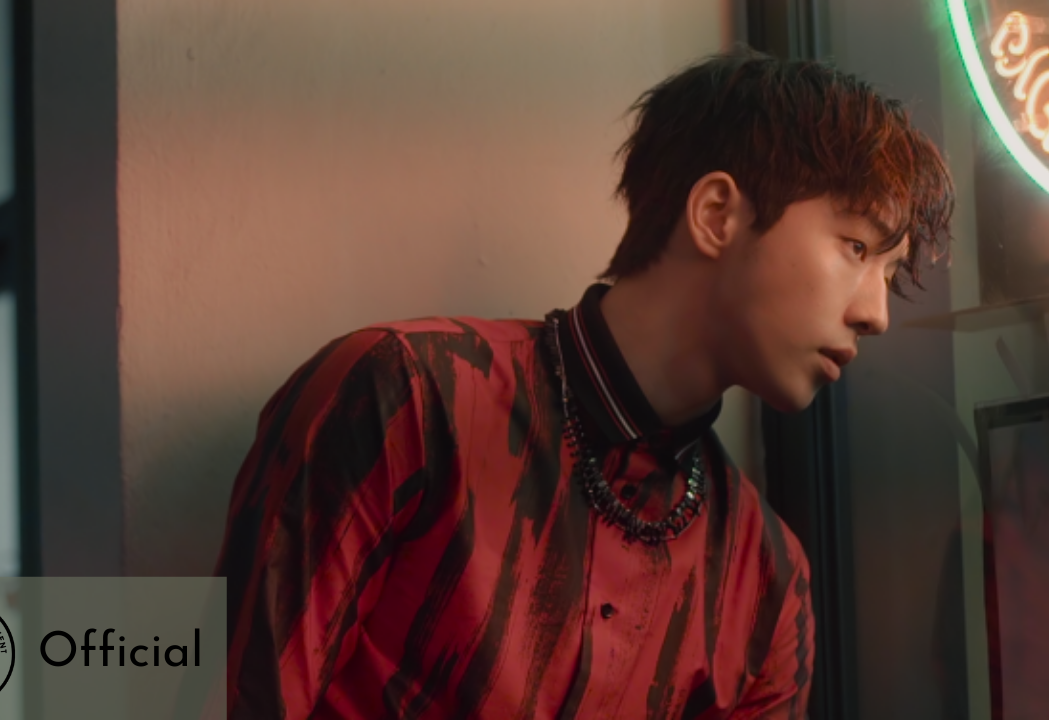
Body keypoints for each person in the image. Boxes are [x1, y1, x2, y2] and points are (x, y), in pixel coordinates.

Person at [215, 46, 954, 719]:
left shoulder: (767, 583)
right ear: (716, 215)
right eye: (856, 247)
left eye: (889, 274)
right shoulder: (405, 396)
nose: (876, 314)